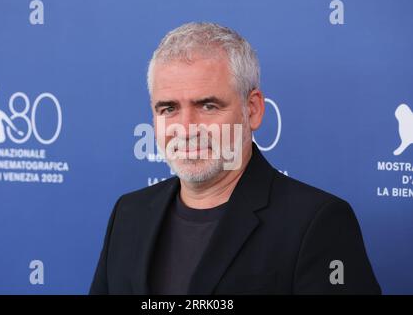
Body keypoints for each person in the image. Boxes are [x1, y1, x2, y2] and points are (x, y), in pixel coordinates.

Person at [90, 22, 381, 294]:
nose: (186, 128)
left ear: (252, 109)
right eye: (168, 109)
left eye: (207, 106)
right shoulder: (129, 214)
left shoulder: (317, 224)